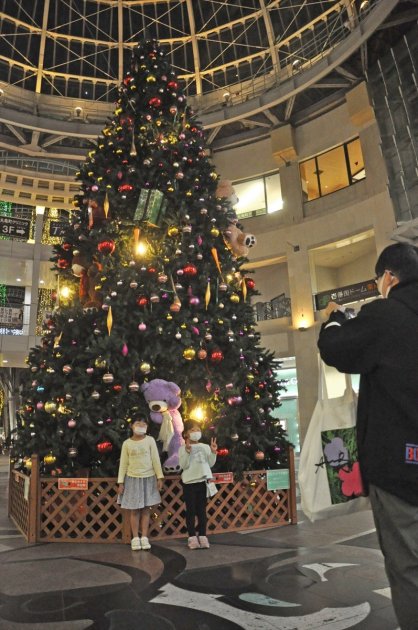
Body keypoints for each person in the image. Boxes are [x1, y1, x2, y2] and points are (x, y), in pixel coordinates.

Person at [317, 242, 418, 630]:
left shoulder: (387, 314)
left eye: (379, 281)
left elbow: (335, 348)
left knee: (408, 564)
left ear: (389, 277)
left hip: (402, 467)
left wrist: (333, 319)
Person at [117, 418, 164, 551]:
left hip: (148, 477)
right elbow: (123, 464)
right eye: (138, 423)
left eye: (144, 423)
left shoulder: (150, 440)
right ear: (132, 426)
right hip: (132, 478)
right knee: (134, 510)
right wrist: (120, 482)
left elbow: (155, 458)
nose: (141, 426)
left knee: (146, 509)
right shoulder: (127, 443)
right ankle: (135, 538)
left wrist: (159, 477)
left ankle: (144, 536)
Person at [178, 420, 217, 549]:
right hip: (189, 483)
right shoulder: (182, 448)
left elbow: (210, 464)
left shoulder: (205, 447)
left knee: (201, 511)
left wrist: (213, 452)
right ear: (186, 434)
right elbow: (183, 465)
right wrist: (188, 452)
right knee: (191, 511)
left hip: (202, 482)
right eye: (192, 430)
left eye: (198, 429)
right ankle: (192, 537)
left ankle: (203, 536)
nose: (196, 432)